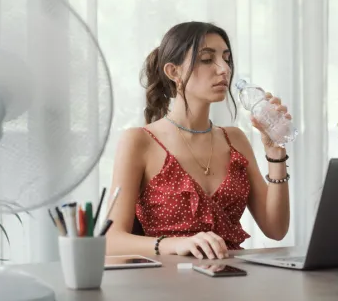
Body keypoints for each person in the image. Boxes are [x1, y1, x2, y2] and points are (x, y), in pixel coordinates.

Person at [105, 21, 292, 260]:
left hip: (233, 281)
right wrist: (175, 244)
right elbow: (110, 240)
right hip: (167, 285)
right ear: (173, 72)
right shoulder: (139, 141)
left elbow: (276, 229)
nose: (224, 69)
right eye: (206, 59)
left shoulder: (235, 139)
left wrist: (276, 150)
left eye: (226, 59)